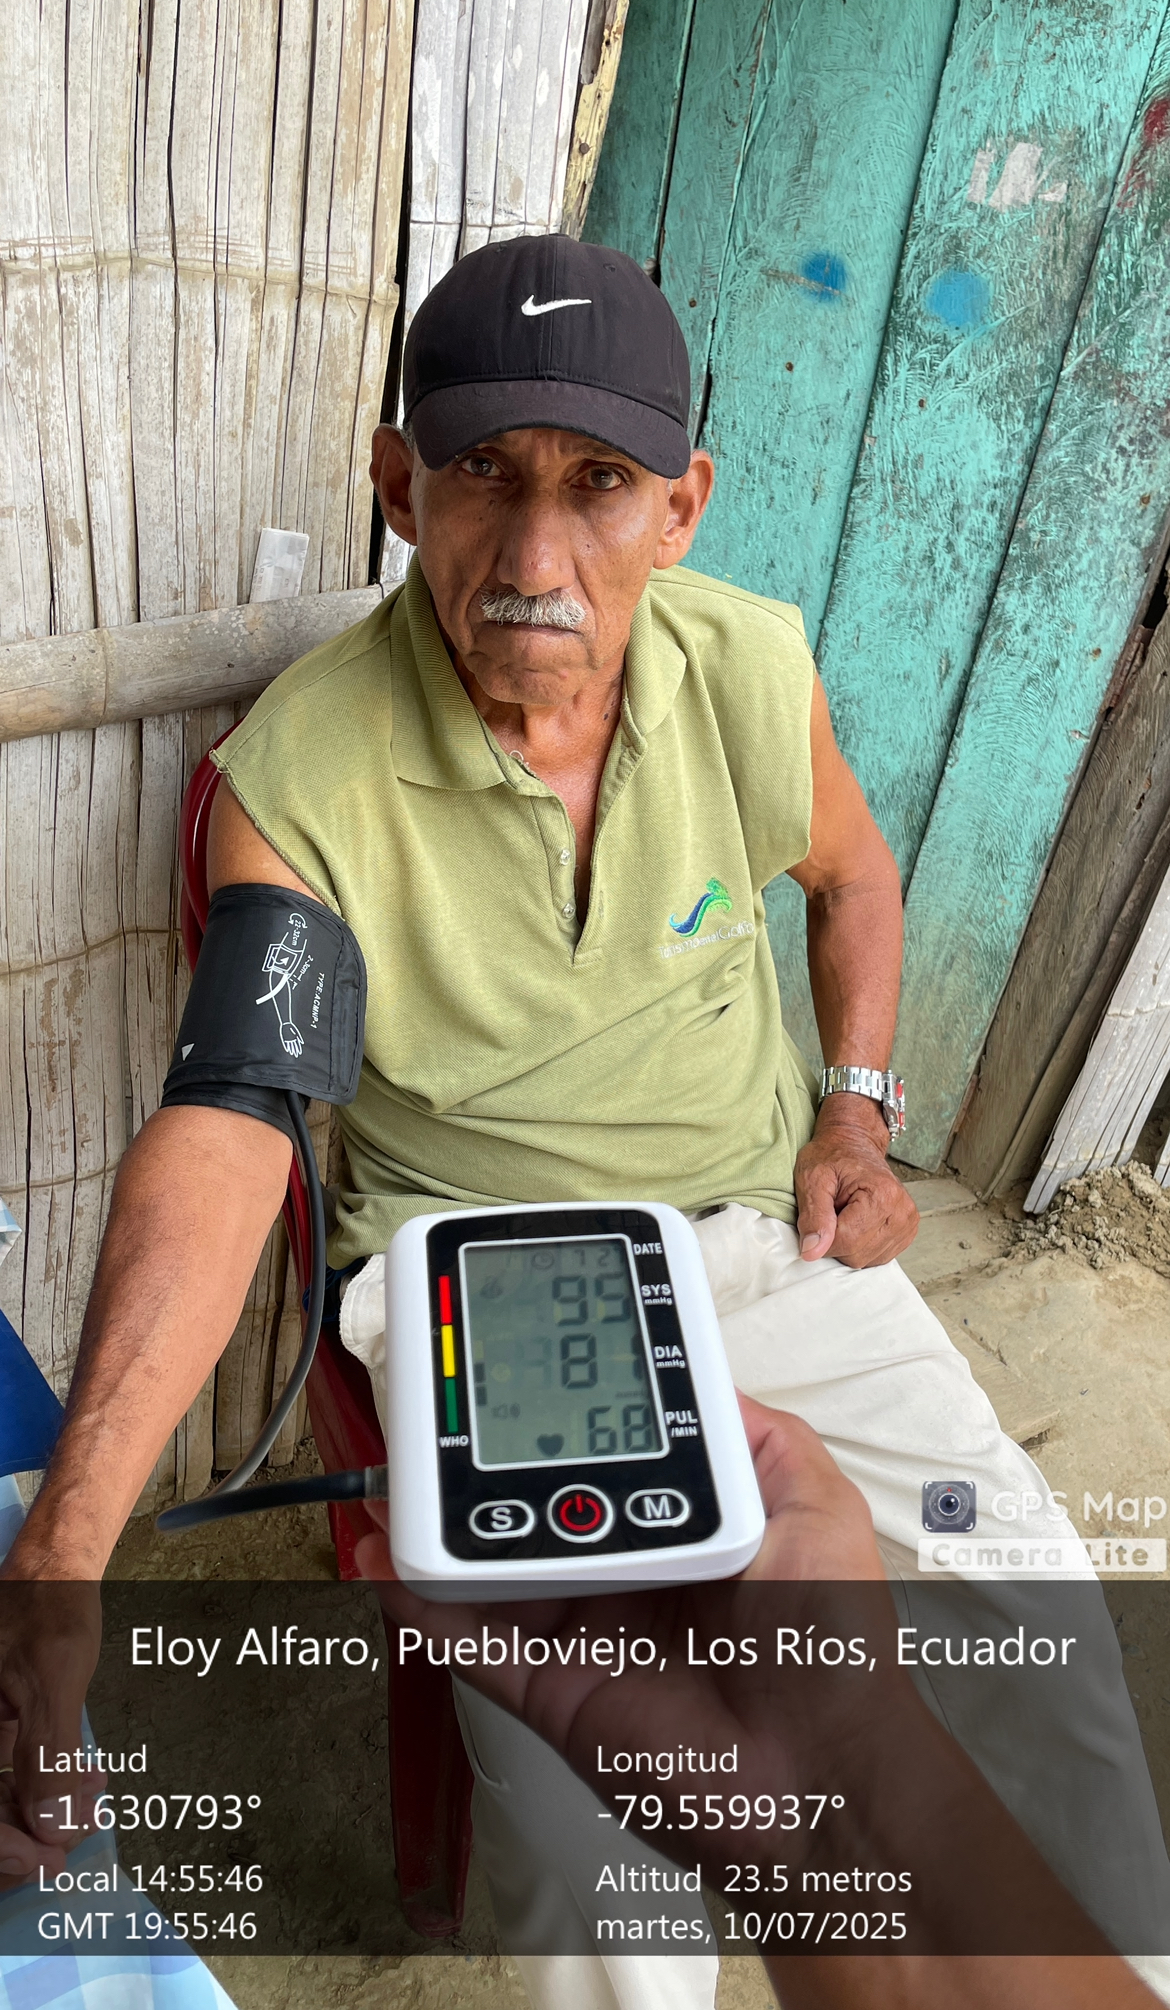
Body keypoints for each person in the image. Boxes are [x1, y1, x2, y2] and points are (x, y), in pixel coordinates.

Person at [1, 233, 1167, 2006]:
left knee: (1040, 1609)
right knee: (592, 1809)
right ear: (398, 486)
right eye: (482, 472)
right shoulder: (302, 778)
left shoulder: (751, 672)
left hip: (762, 1244)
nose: (535, 557)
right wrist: (64, 1551)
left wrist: (854, 1113)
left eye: (600, 485)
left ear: (681, 506)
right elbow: (236, 1112)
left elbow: (852, 877)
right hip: (481, 1289)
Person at [355, 1397, 1166, 2010]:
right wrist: (817, 1798)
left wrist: (831, 1771)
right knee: (558, 1805)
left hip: (782, 1261)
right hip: (449, 1283)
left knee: (1040, 1589)